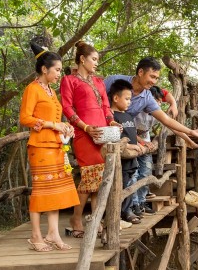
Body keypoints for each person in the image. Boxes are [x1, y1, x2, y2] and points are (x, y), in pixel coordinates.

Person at [19, 42, 80, 251]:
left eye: (60, 70)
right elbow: (25, 117)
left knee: (55, 190)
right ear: (44, 69)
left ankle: (53, 234)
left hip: (55, 146)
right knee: (41, 190)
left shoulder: (52, 92)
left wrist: (64, 127)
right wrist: (52, 124)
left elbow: (55, 117)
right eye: (56, 70)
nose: (58, 74)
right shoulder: (32, 89)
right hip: (40, 146)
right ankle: (36, 236)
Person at [60, 40, 122, 237]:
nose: (96, 63)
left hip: (102, 133)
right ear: (82, 59)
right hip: (83, 134)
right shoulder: (69, 80)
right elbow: (67, 108)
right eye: (93, 59)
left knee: (99, 179)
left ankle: (95, 220)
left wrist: (111, 121)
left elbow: (105, 107)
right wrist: (85, 127)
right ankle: (76, 218)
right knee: (89, 177)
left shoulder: (99, 82)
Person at [103, 57, 198, 150]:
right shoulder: (114, 80)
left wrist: (190, 132)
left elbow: (166, 120)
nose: (154, 82)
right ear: (140, 72)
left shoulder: (147, 97)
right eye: (152, 76)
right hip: (101, 131)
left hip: (124, 139)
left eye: (157, 78)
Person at [108, 79, 144, 224]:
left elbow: (131, 134)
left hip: (132, 159)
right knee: (120, 185)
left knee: (129, 185)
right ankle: (122, 212)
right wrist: (130, 147)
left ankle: (127, 210)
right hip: (120, 159)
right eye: (127, 99)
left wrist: (140, 143)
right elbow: (115, 137)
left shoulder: (128, 116)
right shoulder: (112, 117)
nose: (130, 102)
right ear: (116, 98)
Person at [131, 85, 165, 215]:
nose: (159, 103)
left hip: (145, 140)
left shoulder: (156, 112)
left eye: (160, 101)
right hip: (131, 141)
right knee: (133, 173)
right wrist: (140, 141)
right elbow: (127, 129)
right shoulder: (134, 108)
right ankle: (134, 204)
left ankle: (142, 201)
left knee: (145, 172)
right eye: (157, 100)